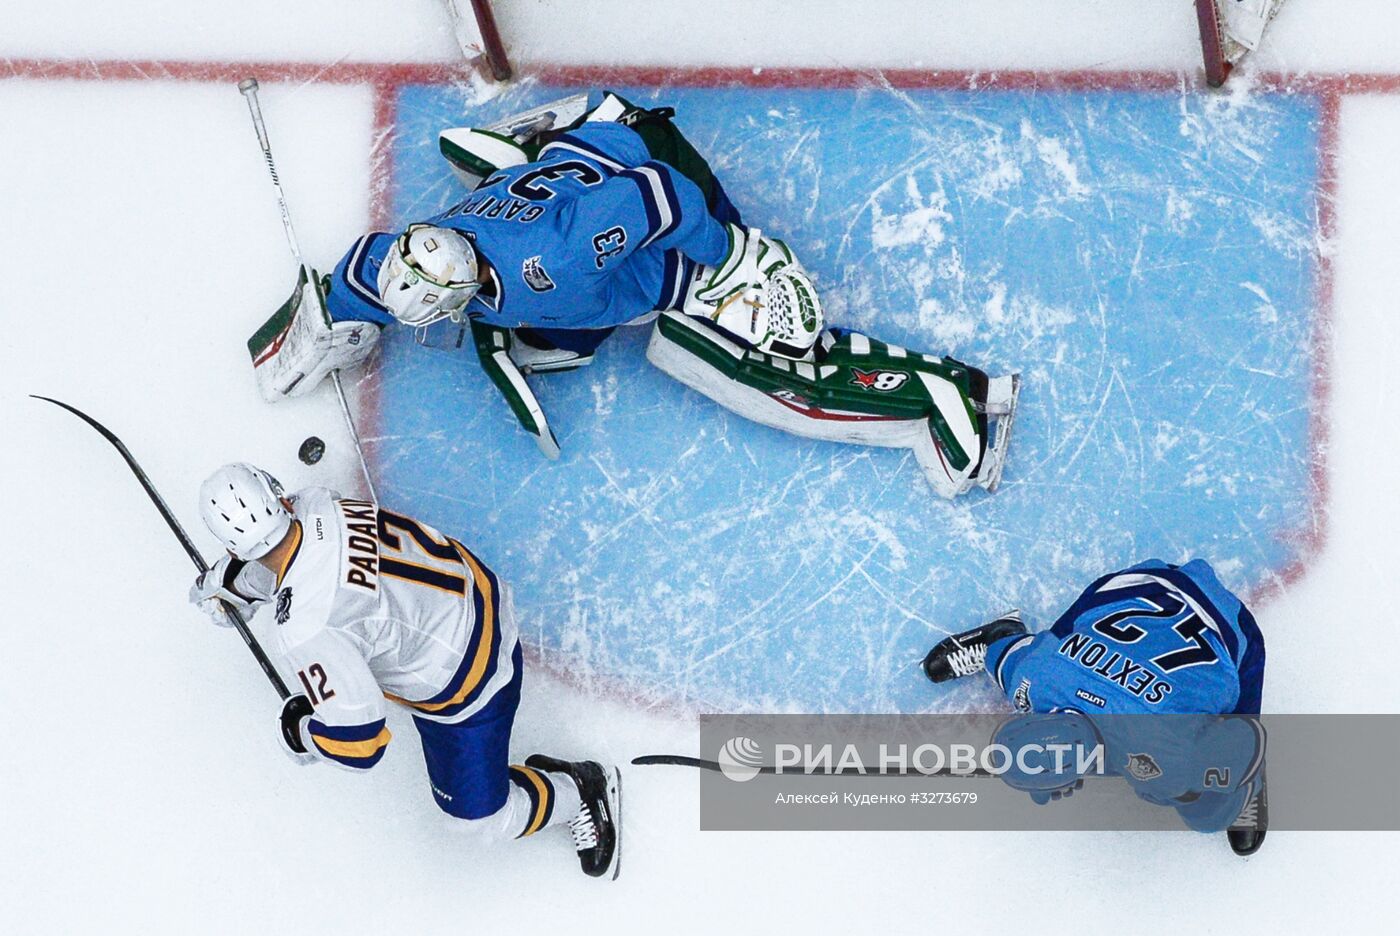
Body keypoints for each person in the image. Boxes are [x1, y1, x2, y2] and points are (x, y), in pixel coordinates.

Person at [245, 91, 1020, 498]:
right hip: (579, 167)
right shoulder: (412, 255)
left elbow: (659, 195)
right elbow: (349, 282)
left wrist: (731, 260)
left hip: (658, 179)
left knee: (754, 376)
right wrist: (306, 347)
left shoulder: (558, 260)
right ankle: (579, 128)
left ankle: (949, 399)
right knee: (557, 322)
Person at [189, 462, 621, 878]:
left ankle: (578, 792)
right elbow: (306, 566)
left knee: (478, 819)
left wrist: (299, 731)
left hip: (474, 680)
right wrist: (237, 586)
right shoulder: (318, 503)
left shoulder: (305, 630)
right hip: (477, 590)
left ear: (232, 548)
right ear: (280, 499)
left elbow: (359, 744)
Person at [921, 558, 1268, 854]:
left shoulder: (1165, 754)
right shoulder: (1034, 680)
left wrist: (1206, 782)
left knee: (1209, 811)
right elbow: (1007, 658)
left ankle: (1247, 783)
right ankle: (1001, 633)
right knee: (1054, 644)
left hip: (1226, 625)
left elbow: (1244, 736)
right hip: (1135, 586)